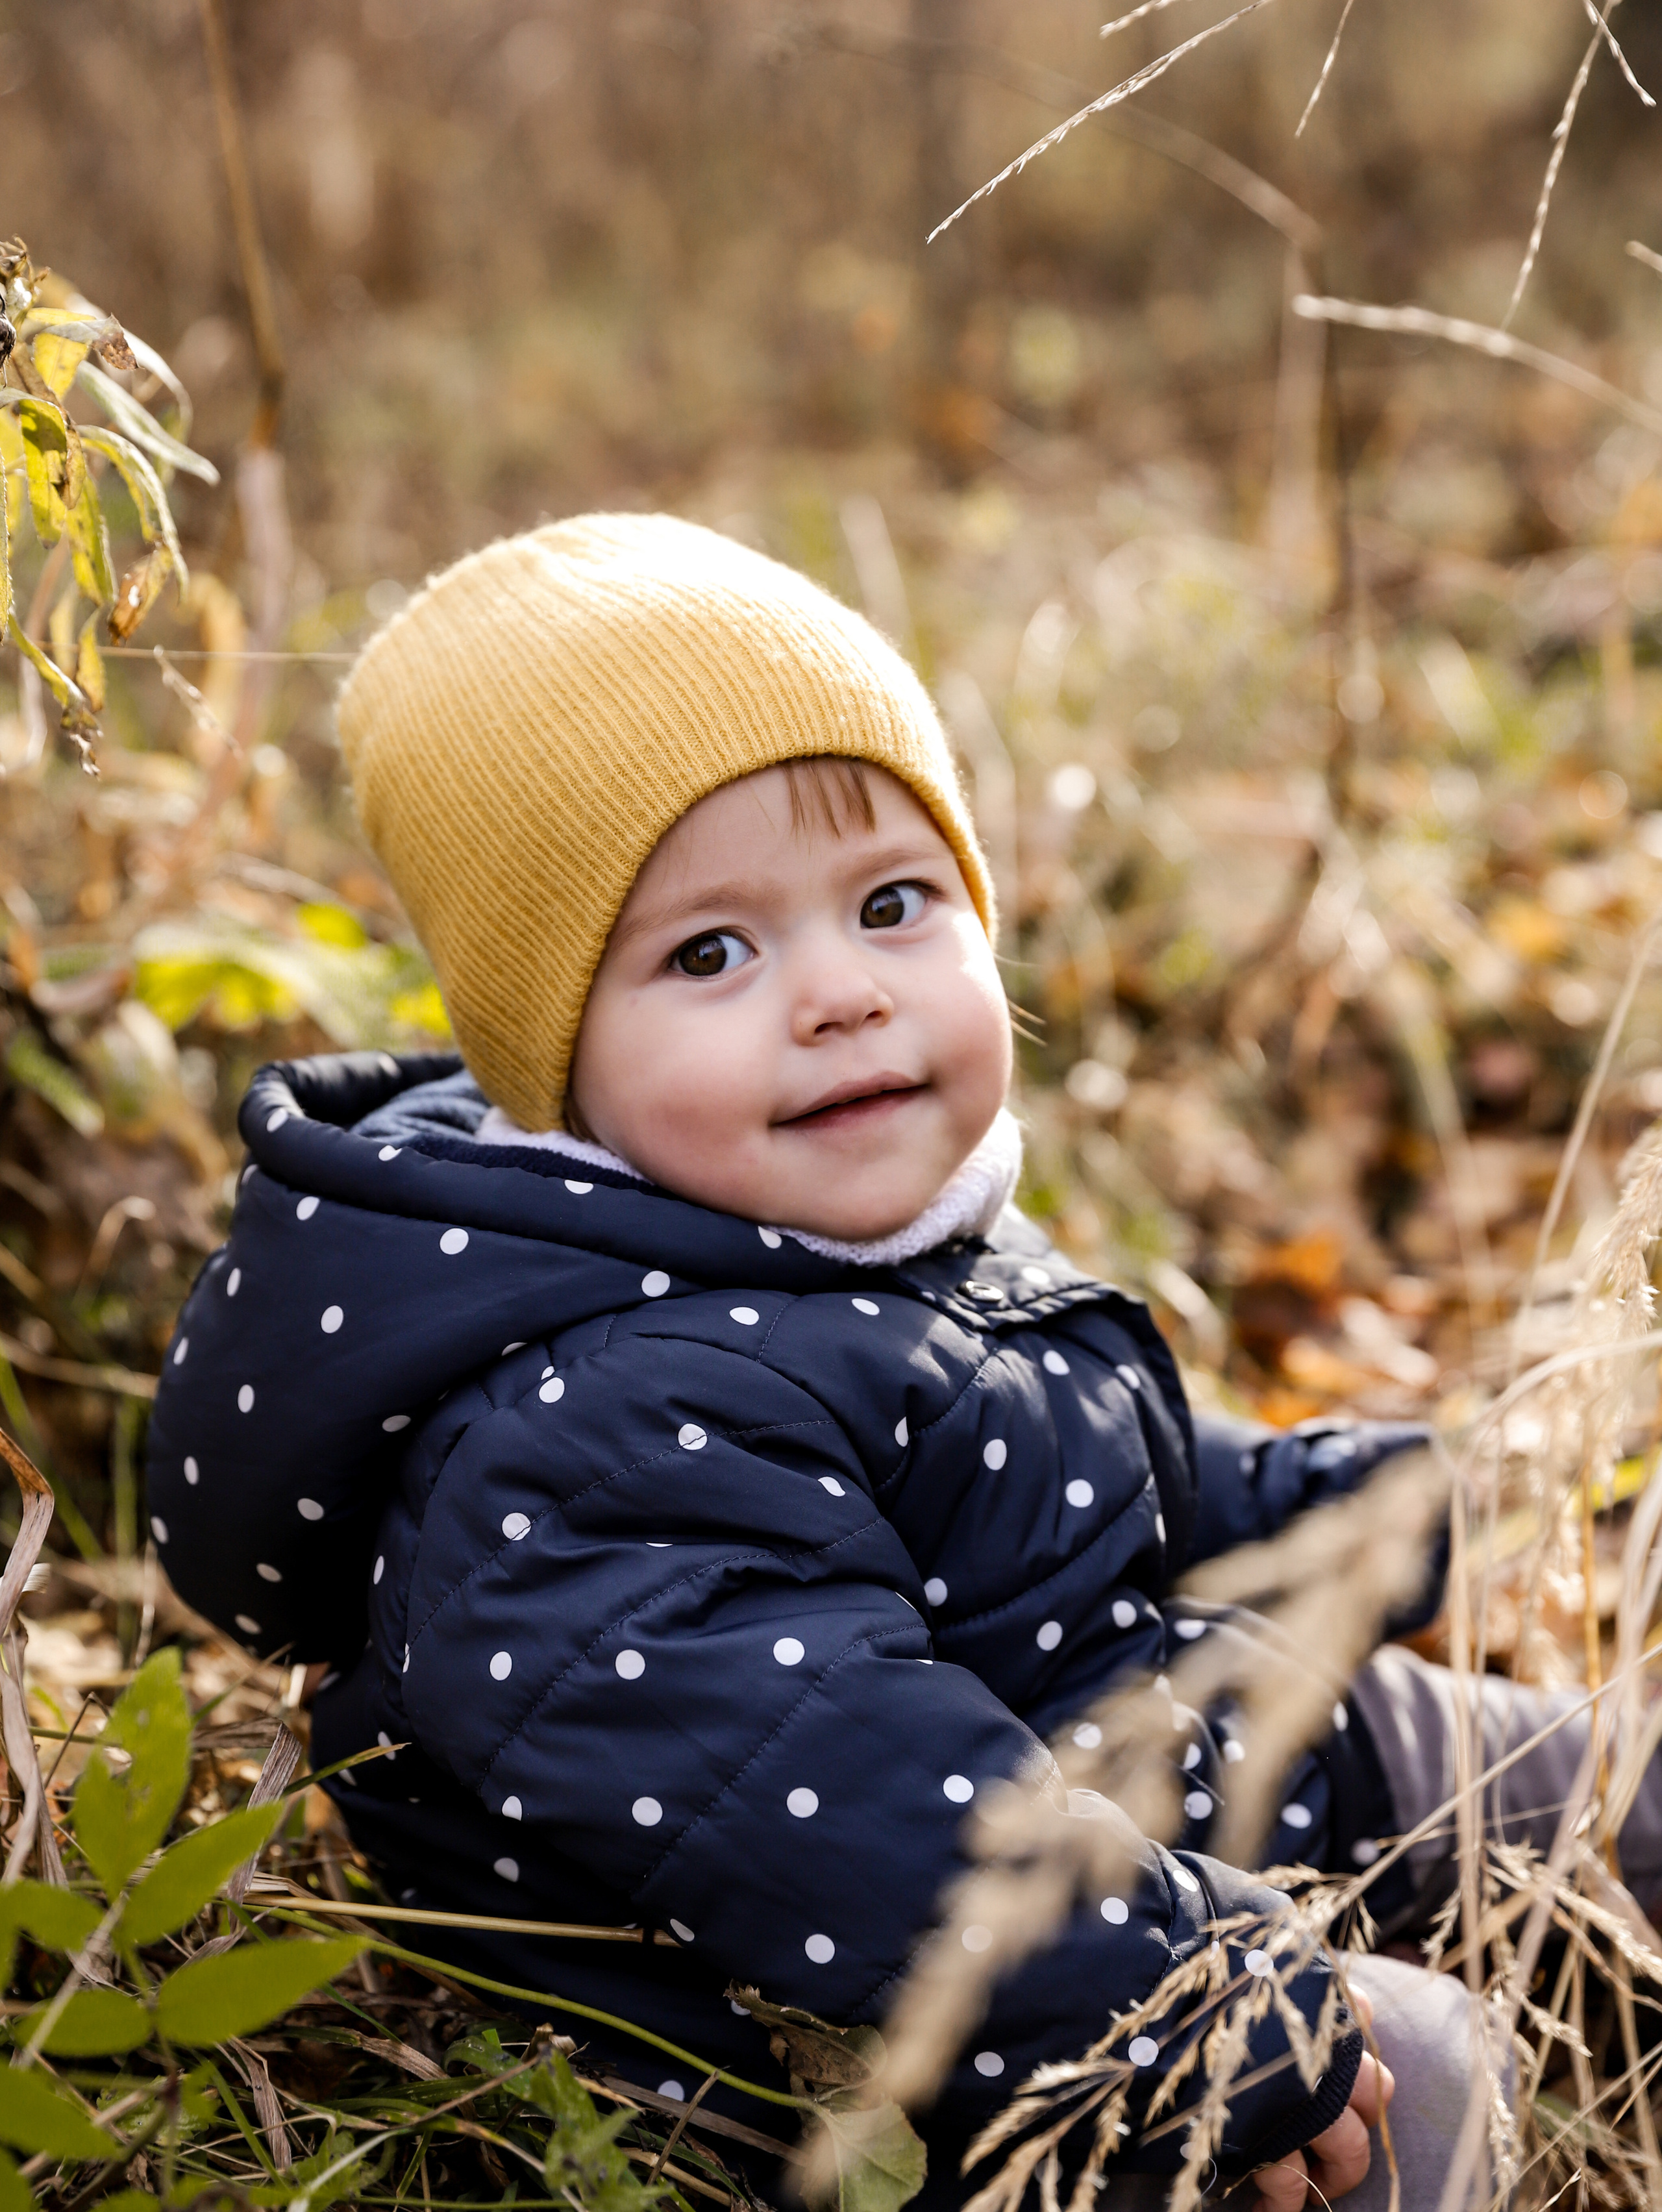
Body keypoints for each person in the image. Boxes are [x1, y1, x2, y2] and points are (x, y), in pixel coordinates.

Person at [147, 516, 1656, 2207]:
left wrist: (1354, 1509)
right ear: (547, 1061)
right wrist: (1181, 2011)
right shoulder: (586, 1435)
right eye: (710, 952)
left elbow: (1070, 1461)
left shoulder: (817, 1219)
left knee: (1592, 1784)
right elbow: (867, 1814)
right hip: (952, 2026)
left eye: (890, 902)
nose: (841, 994)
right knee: (1408, 2087)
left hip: (1166, 1770)